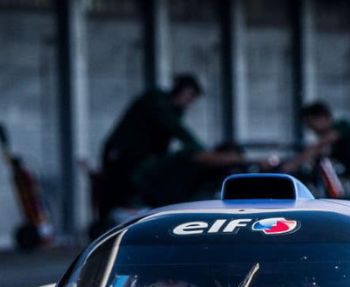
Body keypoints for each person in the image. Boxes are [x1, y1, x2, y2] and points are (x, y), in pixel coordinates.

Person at [98, 74, 243, 221]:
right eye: (190, 96)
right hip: (123, 155)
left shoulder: (174, 110)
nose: (189, 102)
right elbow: (176, 129)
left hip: (142, 158)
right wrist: (199, 150)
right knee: (117, 194)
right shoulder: (156, 100)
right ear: (182, 91)